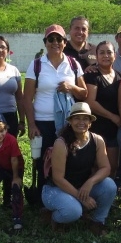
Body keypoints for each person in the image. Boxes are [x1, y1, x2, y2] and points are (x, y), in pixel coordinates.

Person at [23, 24, 87, 189]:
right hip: (43, 122)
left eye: (59, 39)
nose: (55, 42)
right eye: (51, 39)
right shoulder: (36, 65)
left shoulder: (73, 64)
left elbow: (83, 93)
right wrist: (31, 124)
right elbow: (27, 97)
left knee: (68, 158)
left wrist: (71, 87)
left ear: (65, 42)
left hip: (68, 122)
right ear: (45, 42)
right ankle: (44, 196)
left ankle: (65, 192)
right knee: (44, 161)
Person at [41, 102, 116, 235]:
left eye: (85, 118)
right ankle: (54, 217)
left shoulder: (97, 140)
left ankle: (97, 221)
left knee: (109, 185)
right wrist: (82, 198)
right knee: (73, 212)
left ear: (90, 122)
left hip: (82, 187)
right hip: (57, 189)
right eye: (76, 118)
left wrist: (90, 182)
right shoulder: (61, 143)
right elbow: (58, 178)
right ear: (70, 121)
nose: (81, 122)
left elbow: (105, 168)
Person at [84, 41, 121, 179]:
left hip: (114, 130)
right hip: (96, 128)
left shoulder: (120, 77)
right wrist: (113, 117)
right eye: (102, 53)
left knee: (112, 167)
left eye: (109, 52)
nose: (106, 56)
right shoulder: (92, 75)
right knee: (95, 167)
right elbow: (91, 102)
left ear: (115, 55)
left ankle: (108, 197)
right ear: (96, 55)